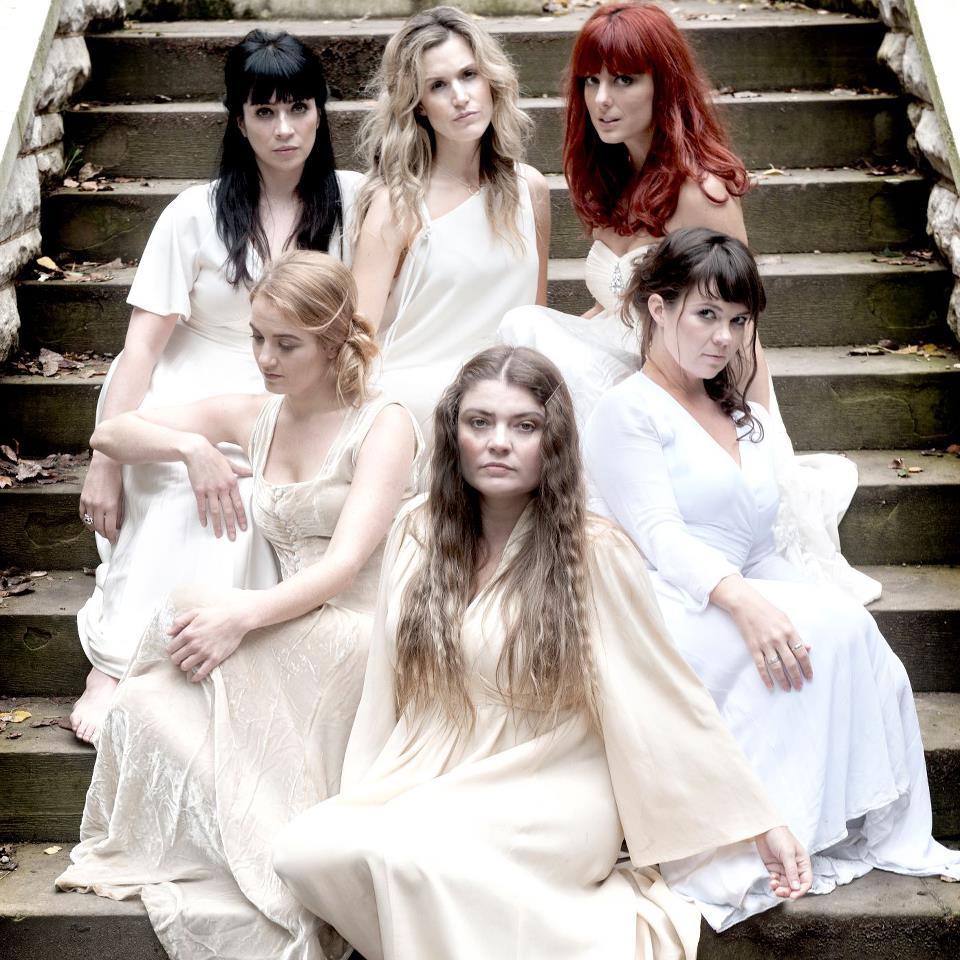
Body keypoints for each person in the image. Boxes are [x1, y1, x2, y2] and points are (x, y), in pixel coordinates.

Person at [271, 344, 811, 960]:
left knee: (408, 856)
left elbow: (664, 693)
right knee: (305, 852)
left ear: (551, 440)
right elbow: (383, 686)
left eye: (524, 426)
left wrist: (761, 821)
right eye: (480, 422)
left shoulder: (594, 551)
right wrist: (363, 795)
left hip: (553, 780)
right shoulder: (416, 531)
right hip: (432, 766)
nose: (498, 442)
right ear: (453, 434)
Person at [583, 229, 960, 932]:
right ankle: (745, 847)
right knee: (808, 638)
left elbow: (758, 543)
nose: (723, 338)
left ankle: (831, 827)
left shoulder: (745, 415)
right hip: (669, 599)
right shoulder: (628, 411)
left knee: (851, 632)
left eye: (737, 320)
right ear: (658, 307)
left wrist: (805, 601)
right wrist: (746, 605)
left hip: (744, 581)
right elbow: (661, 538)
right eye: (705, 314)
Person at [56, 251, 421, 960]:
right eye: (257, 337)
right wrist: (192, 447)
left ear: (334, 342)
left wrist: (240, 616)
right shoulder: (258, 413)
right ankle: (253, 824)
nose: (265, 358)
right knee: (142, 703)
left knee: (202, 608)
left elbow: (345, 564)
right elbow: (112, 433)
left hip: (360, 628)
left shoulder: (385, 423)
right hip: (287, 616)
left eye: (287, 344)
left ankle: (279, 840)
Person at [498, 0, 878, 603]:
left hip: (685, 377)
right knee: (524, 334)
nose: (602, 99)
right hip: (633, 359)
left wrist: (755, 431)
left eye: (624, 80)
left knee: (529, 331)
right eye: (591, 81)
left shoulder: (702, 192)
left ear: (664, 83)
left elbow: (739, 322)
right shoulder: (615, 174)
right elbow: (617, 302)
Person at [71, 29, 363, 743]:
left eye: (298, 108)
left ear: (320, 112)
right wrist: (106, 460)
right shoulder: (193, 214)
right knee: (188, 486)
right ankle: (117, 662)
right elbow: (141, 347)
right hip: (192, 385)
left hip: (300, 385)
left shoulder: (356, 203)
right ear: (238, 120)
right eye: (264, 111)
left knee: (266, 496)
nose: (284, 128)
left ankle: (228, 667)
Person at [351, 5, 550, 436]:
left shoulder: (530, 189)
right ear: (419, 106)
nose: (460, 97)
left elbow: (533, 321)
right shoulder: (396, 204)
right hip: (414, 408)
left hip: (507, 404)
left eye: (469, 75)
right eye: (438, 86)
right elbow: (357, 340)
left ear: (491, 81)